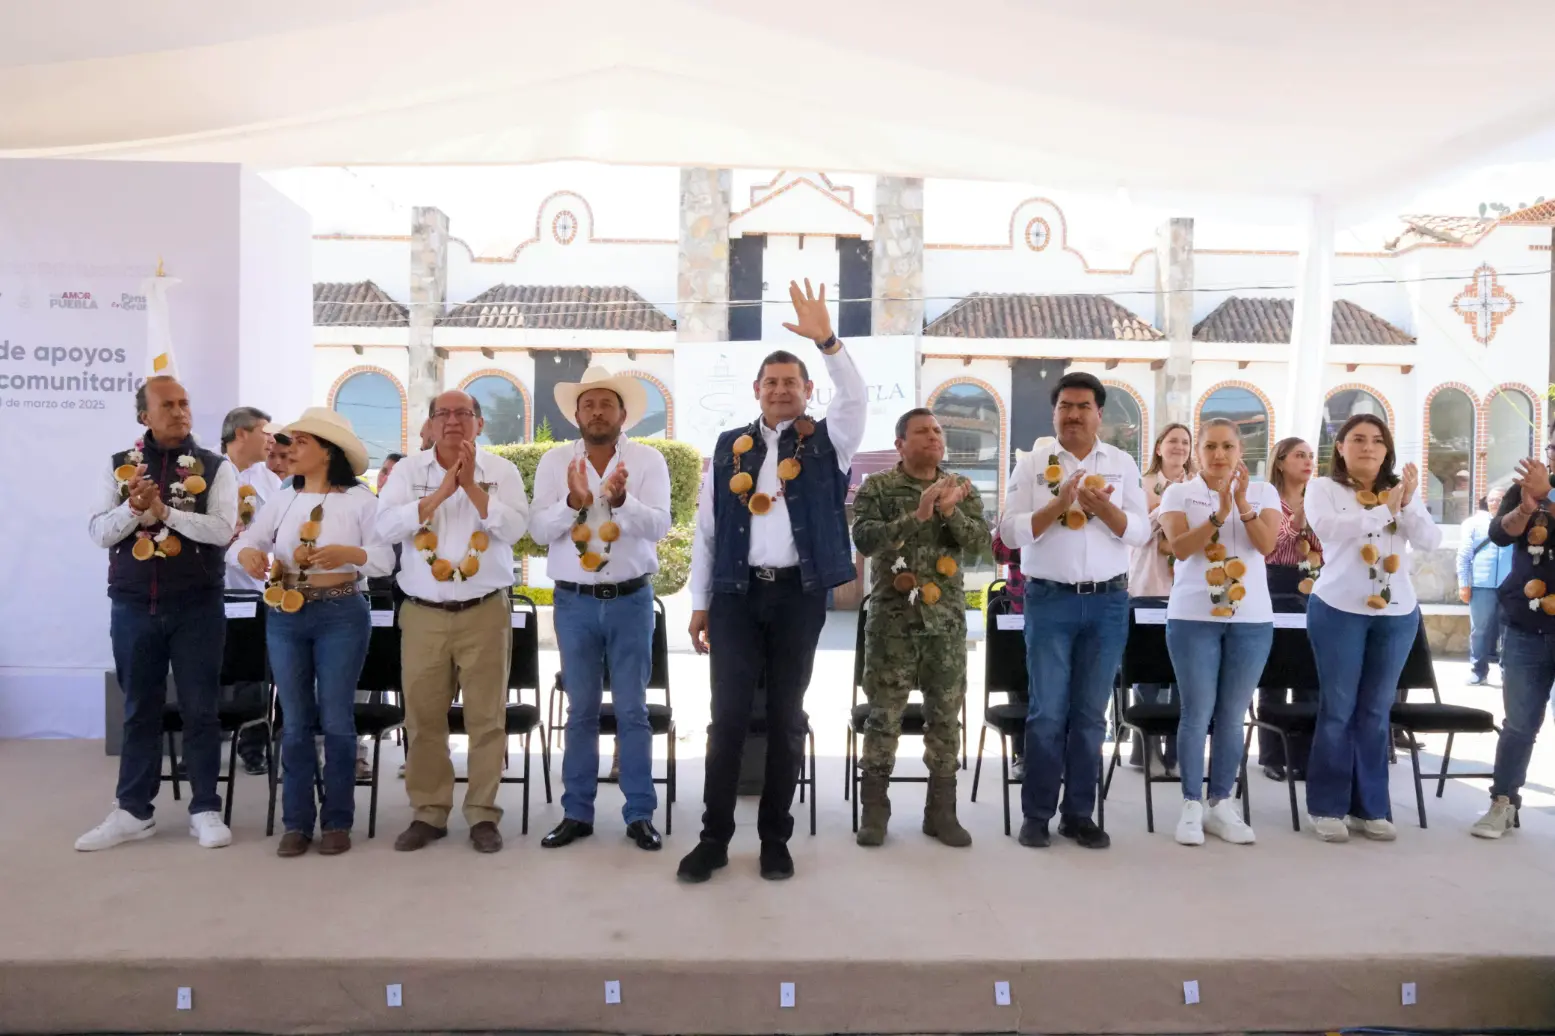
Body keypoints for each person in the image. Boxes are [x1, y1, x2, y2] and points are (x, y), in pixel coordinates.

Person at [678, 279, 866, 883]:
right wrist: (700, 602)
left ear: (808, 391)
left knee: (787, 718)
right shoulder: (728, 447)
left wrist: (828, 342)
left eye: (792, 382)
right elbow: (708, 528)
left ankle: (774, 840)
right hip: (735, 596)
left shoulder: (830, 441)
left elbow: (855, 396)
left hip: (797, 596)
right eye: (772, 382)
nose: (781, 390)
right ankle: (713, 838)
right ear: (756, 391)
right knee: (726, 719)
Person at [78, 376, 238, 851]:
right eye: (167, 405)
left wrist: (166, 514)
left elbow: (222, 530)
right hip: (133, 605)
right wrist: (133, 508)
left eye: (184, 403)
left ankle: (205, 808)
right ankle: (133, 811)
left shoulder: (215, 466)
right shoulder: (118, 466)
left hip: (197, 606)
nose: (179, 411)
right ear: (144, 416)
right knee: (138, 710)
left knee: (200, 710)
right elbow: (99, 533)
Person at [998, 372, 1150, 850]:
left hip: (1107, 602)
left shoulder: (1122, 463)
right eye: (1065, 406)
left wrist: (1104, 510)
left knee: (1090, 716)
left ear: (1099, 414)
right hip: (1050, 600)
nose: (1074, 415)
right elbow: (1010, 532)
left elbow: (1141, 532)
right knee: (1047, 713)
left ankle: (1079, 814)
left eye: (1084, 407)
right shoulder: (1032, 464)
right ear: (1054, 413)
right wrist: (1059, 504)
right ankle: (1037, 814)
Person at [231, 410, 393, 856]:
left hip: (342, 611)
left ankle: (337, 820)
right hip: (287, 613)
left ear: (327, 452)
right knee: (295, 719)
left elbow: (384, 560)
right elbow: (245, 541)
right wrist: (246, 555)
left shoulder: (361, 501)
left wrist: (350, 553)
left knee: (337, 717)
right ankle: (297, 823)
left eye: (302, 442)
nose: (290, 450)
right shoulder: (284, 498)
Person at [377, 391, 530, 853]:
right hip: (423, 613)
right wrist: (442, 492)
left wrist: (471, 488)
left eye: (463, 413)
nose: (452, 421)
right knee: (423, 719)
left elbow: (515, 530)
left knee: (487, 719)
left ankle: (482, 813)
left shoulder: (501, 471)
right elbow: (385, 529)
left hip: (484, 611)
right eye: (442, 414)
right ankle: (429, 812)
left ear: (479, 424)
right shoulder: (407, 472)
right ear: (428, 425)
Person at [530, 368, 672, 853]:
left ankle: (639, 814)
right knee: (581, 711)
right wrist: (573, 501)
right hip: (574, 602)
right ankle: (577, 813)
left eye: (606, 404)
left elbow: (659, 526)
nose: (596, 412)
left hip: (631, 600)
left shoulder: (648, 460)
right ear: (576, 414)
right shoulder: (554, 461)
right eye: (588, 404)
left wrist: (623, 501)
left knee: (632, 710)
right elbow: (538, 530)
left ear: (623, 414)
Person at [851, 408, 990, 848]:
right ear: (900, 444)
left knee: (946, 719)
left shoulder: (961, 487)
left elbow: (981, 544)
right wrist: (920, 512)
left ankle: (941, 813)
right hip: (892, 625)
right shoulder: (878, 487)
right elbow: (865, 540)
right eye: (922, 431)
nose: (934, 437)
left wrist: (949, 512)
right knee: (883, 718)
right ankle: (874, 813)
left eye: (937, 430)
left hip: (945, 626)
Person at [1303, 414, 1438, 843]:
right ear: (1341, 447)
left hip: (1396, 613)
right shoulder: (1324, 488)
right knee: (1338, 709)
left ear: (1387, 450)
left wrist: (1407, 503)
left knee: (1377, 712)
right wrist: (1385, 510)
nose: (1368, 447)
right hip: (1338, 608)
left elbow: (1430, 540)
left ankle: (1371, 808)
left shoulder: (1401, 491)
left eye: (1377, 440)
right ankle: (1328, 807)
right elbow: (1330, 529)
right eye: (1358, 439)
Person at [1160, 419, 1280, 845]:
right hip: (1193, 615)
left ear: (1240, 451)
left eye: (1228, 446)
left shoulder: (1263, 492)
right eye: (1210, 446)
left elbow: (1266, 545)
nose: (1219, 455)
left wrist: (1241, 503)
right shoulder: (1178, 493)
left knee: (1232, 715)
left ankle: (1221, 803)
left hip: (1251, 618)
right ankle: (1192, 804)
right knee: (1196, 712)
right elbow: (1180, 548)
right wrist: (1218, 515)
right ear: (1197, 452)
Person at [1471, 442, 1555, 837]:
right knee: (1519, 724)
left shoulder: (1545, 488)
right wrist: (1526, 506)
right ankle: (1503, 803)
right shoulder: (1527, 487)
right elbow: (1499, 535)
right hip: (1525, 624)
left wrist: (1549, 496)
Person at [1127, 421, 1194, 774]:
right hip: (1148, 587)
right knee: (1148, 675)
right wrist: (1167, 505)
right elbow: (1138, 533)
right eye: (1173, 441)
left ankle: (1177, 753)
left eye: (1185, 442)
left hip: (1187, 592)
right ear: (1158, 447)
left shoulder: (1198, 486)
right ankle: (1146, 751)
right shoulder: (1141, 485)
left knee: (1182, 676)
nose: (1179, 447)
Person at [1257, 436, 1322, 781]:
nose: (1308, 461)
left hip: (1312, 584)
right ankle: (1272, 755)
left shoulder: (1321, 499)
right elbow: (1264, 547)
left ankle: (1304, 755)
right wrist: (1294, 525)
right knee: (1276, 672)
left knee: (1309, 672)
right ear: (1280, 462)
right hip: (1273, 583)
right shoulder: (1265, 498)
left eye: (1310, 456)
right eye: (1299, 455)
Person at [1457, 488, 1512, 687]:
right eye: (1492, 500)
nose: (1495, 503)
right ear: (1486, 502)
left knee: (1509, 632)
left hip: (1510, 587)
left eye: (1500, 499)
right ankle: (1478, 671)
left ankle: (1508, 675)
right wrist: (1464, 584)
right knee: (1479, 631)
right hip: (1481, 585)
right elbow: (1464, 555)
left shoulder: (1516, 522)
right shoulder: (1472, 524)